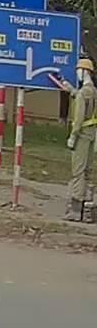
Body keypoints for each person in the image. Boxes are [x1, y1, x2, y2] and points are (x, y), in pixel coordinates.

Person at [54, 57, 97, 221]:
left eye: (79, 70)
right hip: (92, 135)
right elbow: (83, 99)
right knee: (88, 171)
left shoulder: (82, 94)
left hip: (81, 135)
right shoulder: (93, 92)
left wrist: (73, 136)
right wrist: (71, 90)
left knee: (78, 171)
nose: (78, 73)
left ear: (85, 72)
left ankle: (75, 209)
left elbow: (78, 118)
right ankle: (88, 210)